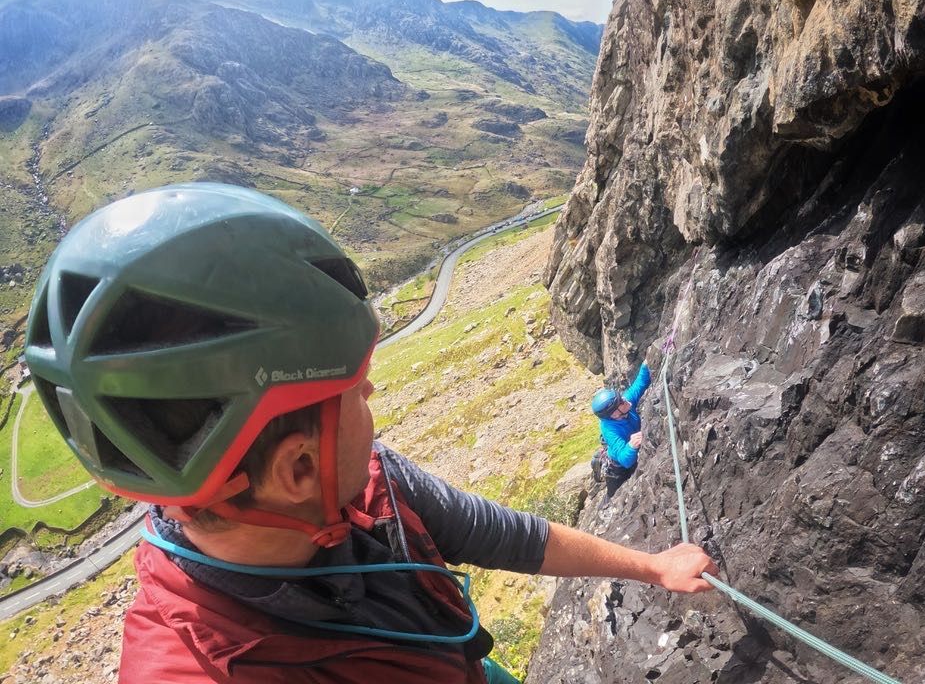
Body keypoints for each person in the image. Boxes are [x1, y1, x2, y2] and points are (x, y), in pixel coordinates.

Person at [23, 183, 717, 684]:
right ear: (298, 469)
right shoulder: (195, 669)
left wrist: (653, 566)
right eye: (355, 390)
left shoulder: (364, 483)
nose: (372, 394)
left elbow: (502, 536)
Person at [591, 360, 652, 499]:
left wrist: (645, 365)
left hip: (627, 456)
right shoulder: (609, 430)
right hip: (617, 469)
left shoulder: (623, 405)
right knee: (613, 497)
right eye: (621, 402)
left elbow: (638, 386)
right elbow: (625, 460)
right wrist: (631, 445)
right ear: (614, 414)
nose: (625, 401)